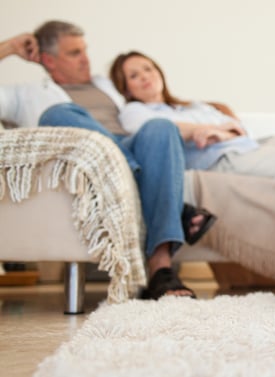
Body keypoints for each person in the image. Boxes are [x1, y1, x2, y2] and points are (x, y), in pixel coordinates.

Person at [0, 21, 215, 300]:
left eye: (84, 50)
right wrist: (9, 47)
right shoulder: (25, 94)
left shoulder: (105, 84)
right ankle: (153, 190)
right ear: (48, 60)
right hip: (91, 159)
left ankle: (161, 267)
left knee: (161, 127)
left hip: (131, 148)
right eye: (74, 53)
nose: (86, 59)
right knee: (57, 114)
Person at [109, 50, 275, 236]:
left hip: (253, 146)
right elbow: (158, 132)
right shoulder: (134, 111)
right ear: (126, 88)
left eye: (148, 68)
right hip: (225, 159)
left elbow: (237, 130)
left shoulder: (194, 106)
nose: (145, 76)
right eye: (134, 75)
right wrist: (204, 129)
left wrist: (218, 132)